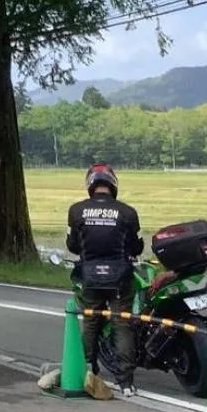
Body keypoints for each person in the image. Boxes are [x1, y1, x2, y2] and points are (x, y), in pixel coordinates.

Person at [66, 163, 143, 397]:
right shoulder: (127, 212)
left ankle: (87, 370)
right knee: (122, 324)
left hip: (90, 275)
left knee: (89, 322)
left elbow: (72, 245)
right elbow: (137, 246)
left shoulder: (77, 211)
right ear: (113, 183)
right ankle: (126, 381)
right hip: (120, 277)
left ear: (91, 184)